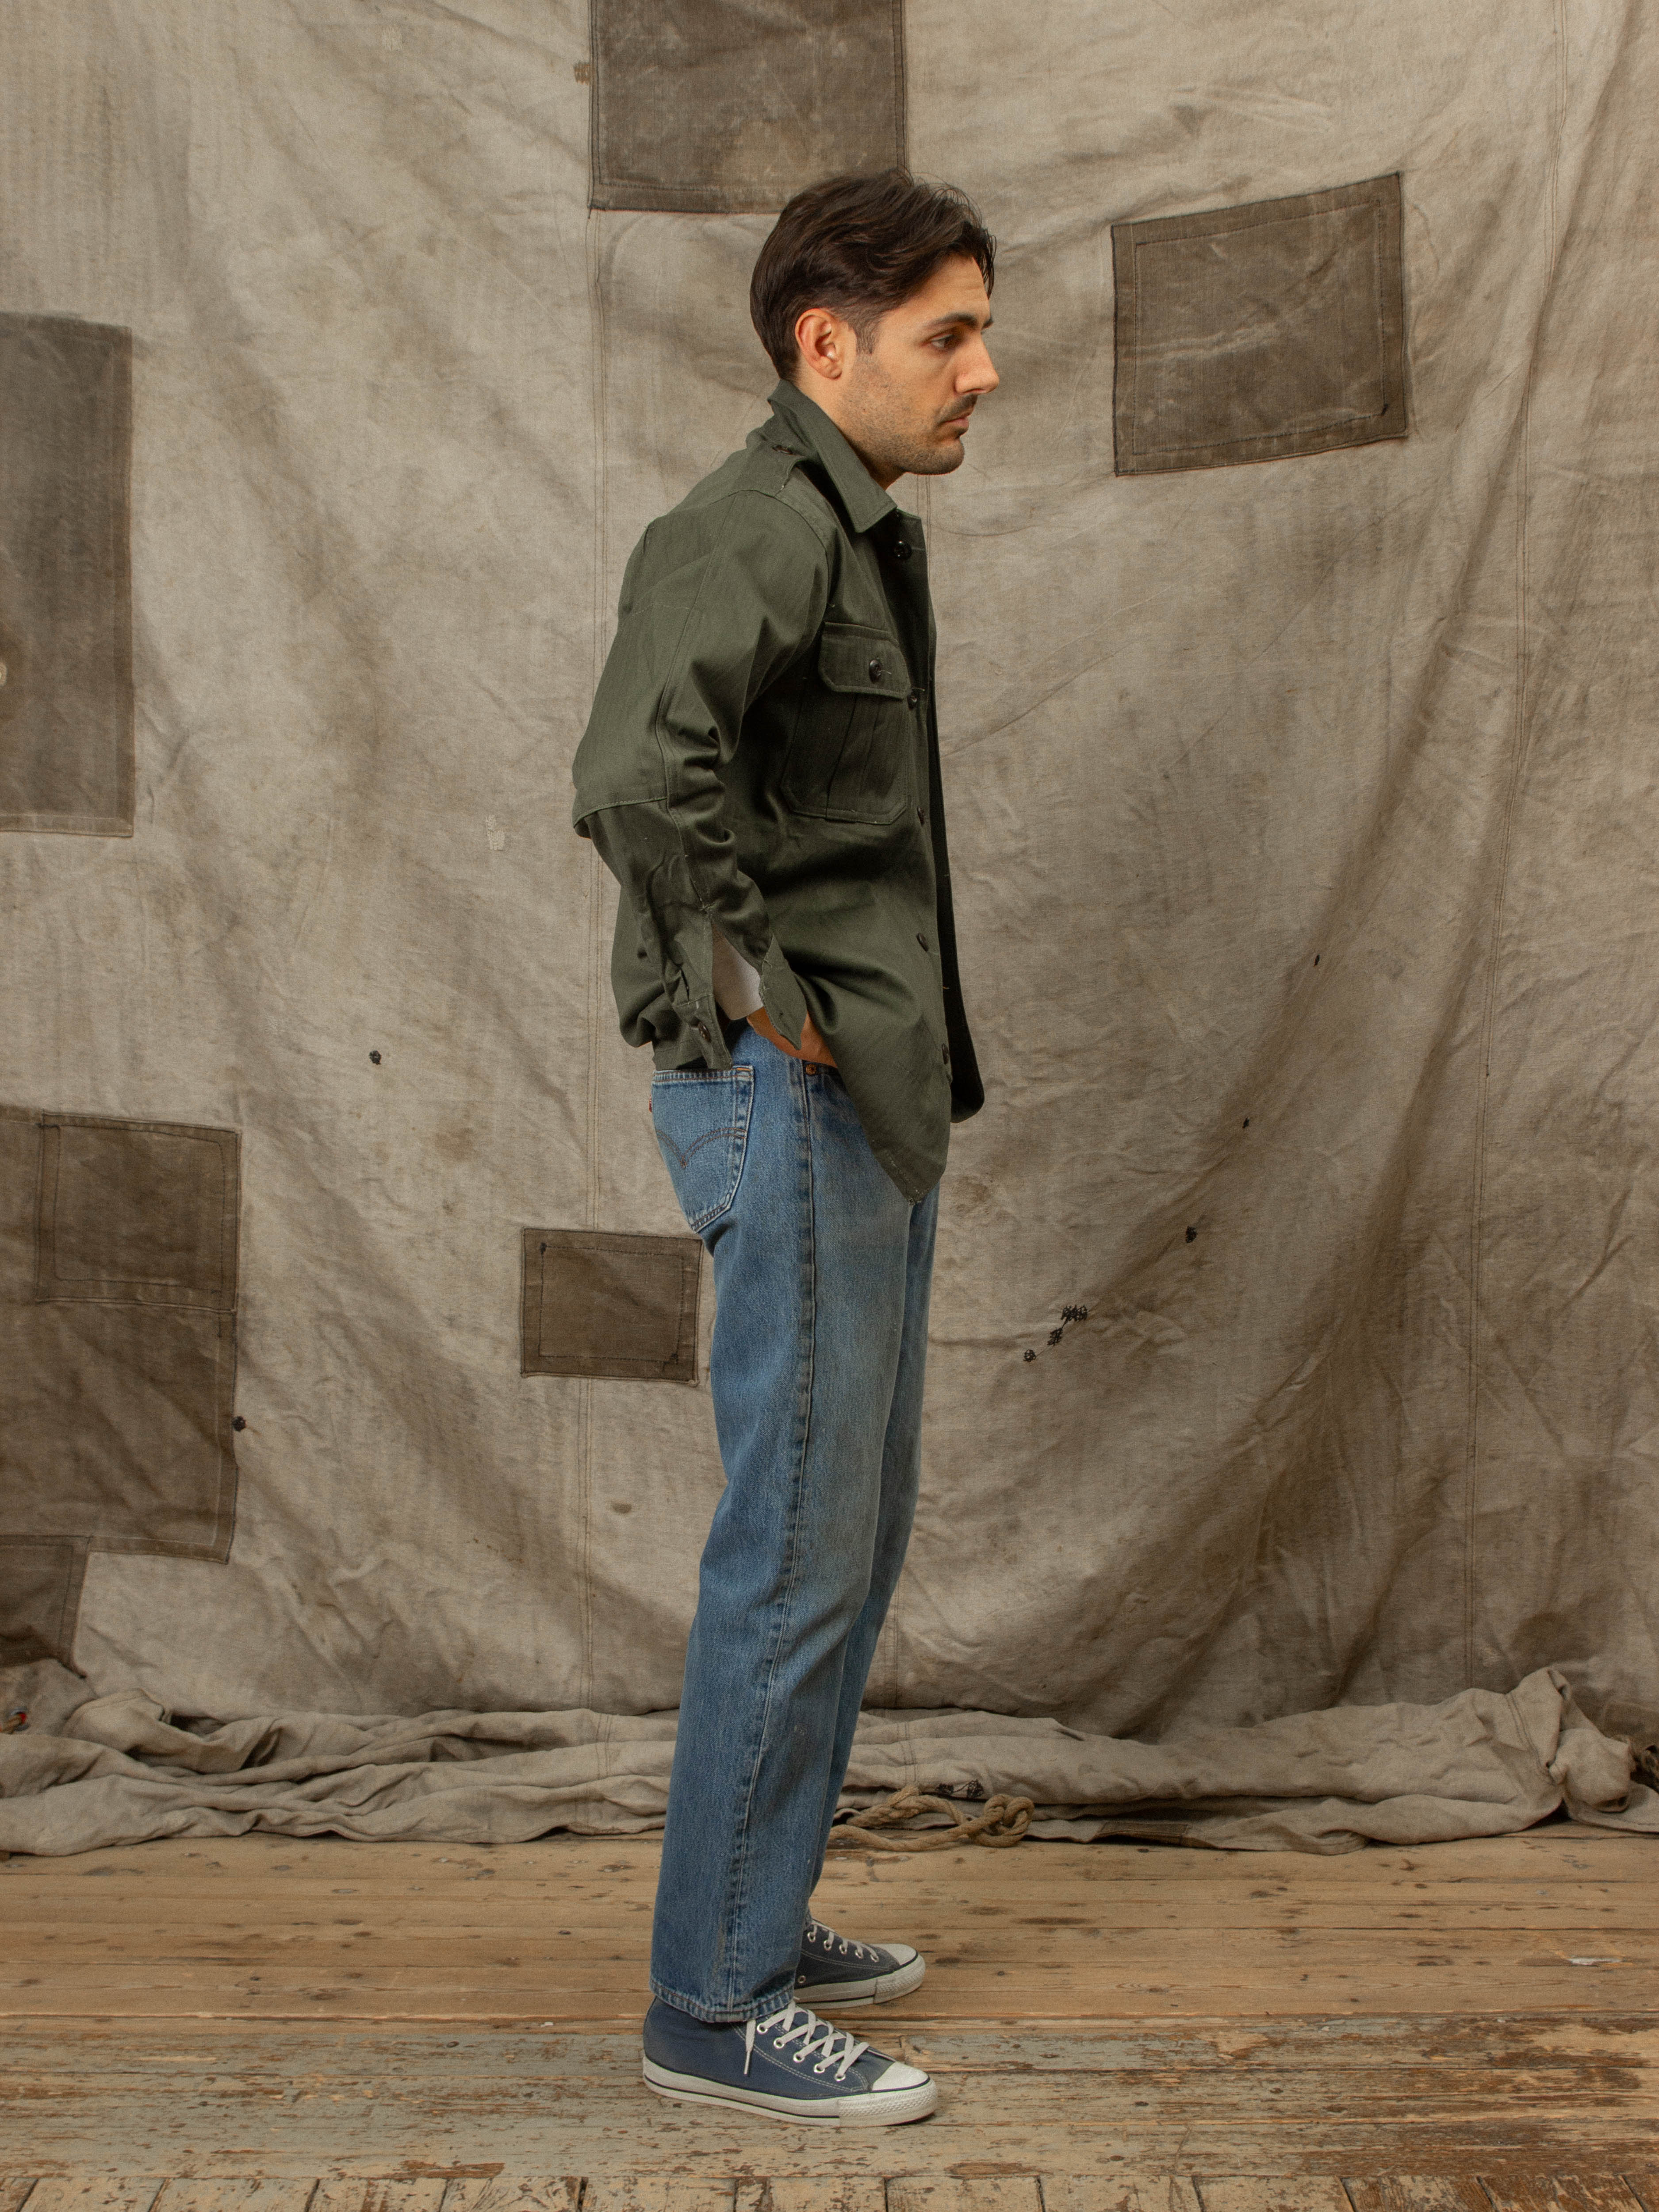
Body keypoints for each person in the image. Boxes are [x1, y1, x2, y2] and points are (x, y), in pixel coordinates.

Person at [571, 168, 999, 2127]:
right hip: (796, 1093)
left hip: (867, 1098)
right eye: (945, 335)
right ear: (825, 343)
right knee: (794, 1548)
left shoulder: (851, 527)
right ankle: (717, 2006)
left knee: (852, 1530)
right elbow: (630, 773)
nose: (979, 372)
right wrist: (765, 998)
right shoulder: (749, 524)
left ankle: (755, 1913)